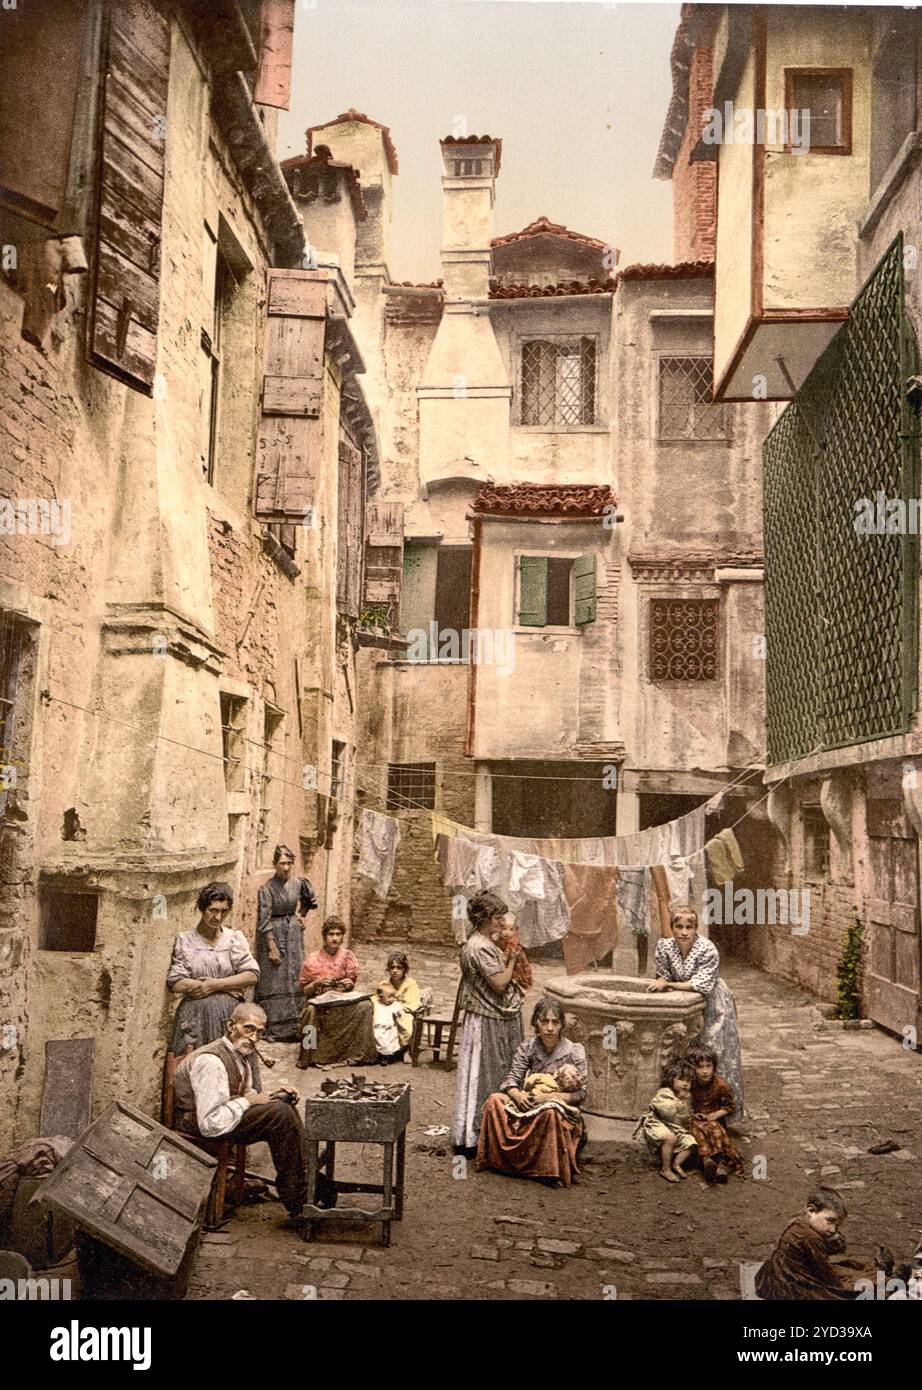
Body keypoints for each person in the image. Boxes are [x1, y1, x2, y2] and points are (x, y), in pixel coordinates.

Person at [171, 1003, 315, 1220]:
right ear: (231, 1025)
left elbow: (245, 1094)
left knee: (283, 1107)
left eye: (259, 1033)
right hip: (199, 1123)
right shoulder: (211, 1061)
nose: (254, 1038)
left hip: (222, 1116)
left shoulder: (239, 1055)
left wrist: (276, 1094)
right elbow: (209, 1123)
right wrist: (250, 1101)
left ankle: (305, 1186)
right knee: (280, 1115)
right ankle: (300, 1199)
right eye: (248, 1029)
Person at [477, 997, 587, 1188]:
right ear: (536, 1023)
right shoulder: (528, 1047)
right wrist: (517, 1095)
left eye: (555, 1022)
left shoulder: (574, 1051)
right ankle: (499, 1161)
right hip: (529, 1102)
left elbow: (581, 1093)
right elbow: (511, 1079)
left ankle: (546, 1170)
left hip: (558, 1109)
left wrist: (549, 1098)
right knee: (495, 1101)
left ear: (562, 1025)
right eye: (544, 1022)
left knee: (549, 1113)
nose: (550, 1028)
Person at [647, 904, 744, 1120]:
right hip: (683, 1003)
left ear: (695, 928)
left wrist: (669, 985)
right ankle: (690, 1111)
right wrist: (666, 983)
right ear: (672, 928)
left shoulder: (707, 949)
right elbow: (662, 977)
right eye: (678, 926)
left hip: (713, 1004)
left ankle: (720, 1115)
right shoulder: (664, 947)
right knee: (686, 1054)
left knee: (712, 1052)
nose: (683, 932)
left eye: (688, 927)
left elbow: (701, 985)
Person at [451, 891, 525, 1158]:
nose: (500, 922)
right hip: (488, 1019)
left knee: (481, 1074)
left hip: (485, 1016)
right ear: (483, 919)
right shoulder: (479, 947)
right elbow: (499, 984)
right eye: (496, 917)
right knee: (487, 1074)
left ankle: (478, 1133)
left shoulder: (479, 942)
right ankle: (483, 1134)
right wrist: (513, 960)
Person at [167, 883, 259, 1055]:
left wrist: (215, 984)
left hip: (229, 1015)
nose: (218, 917)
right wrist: (199, 986)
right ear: (202, 909)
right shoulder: (186, 940)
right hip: (196, 1016)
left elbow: (252, 975)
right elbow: (175, 982)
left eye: (224, 911)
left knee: (231, 1065)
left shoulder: (233, 939)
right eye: (213, 910)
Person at [756, 1188, 880, 1300]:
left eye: (836, 1225)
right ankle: (884, 1283)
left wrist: (834, 1239)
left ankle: (879, 1270)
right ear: (811, 1210)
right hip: (794, 1283)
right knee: (852, 1285)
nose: (832, 1229)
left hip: (786, 1272)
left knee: (853, 1266)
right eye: (830, 1221)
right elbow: (826, 1274)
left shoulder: (802, 1224)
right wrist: (846, 1287)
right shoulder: (809, 1237)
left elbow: (829, 1254)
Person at [254, 845, 318, 1042]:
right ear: (275, 865)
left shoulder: (298, 883)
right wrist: (272, 947)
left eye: (289, 863)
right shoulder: (266, 889)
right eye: (282, 863)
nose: (286, 867)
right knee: (275, 977)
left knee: (294, 974)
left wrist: (301, 915)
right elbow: (263, 921)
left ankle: (294, 1024)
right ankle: (274, 1028)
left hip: (293, 934)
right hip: (272, 934)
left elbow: (309, 900)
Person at [296, 917, 377, 1068]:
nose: (334, 938)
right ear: (324, 936)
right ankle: (308, 1054)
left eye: (338, 934)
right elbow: (305, 991)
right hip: (321, 1005)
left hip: (341, 1003)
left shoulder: (347, 956)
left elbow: (351, 984)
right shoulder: (313, 959)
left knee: (365, 1006)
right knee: (311, 1012)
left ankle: (357, 1052)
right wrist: (318, 982)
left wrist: (349, 983)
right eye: (331, 934)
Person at [687, 1042, 744, 1183]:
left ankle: (722, 1164)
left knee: (715, 1131)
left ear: (714, 1066)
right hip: (696, 1119)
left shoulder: (720, 1085)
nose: (705, 1071)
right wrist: (694, 1114)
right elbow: (684, 1104)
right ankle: (707, 1161)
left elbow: (730, 1106)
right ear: (692, 1069)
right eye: (700, 1067)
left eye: (708, 1066)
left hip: (715, 1119)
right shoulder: (690, 1084)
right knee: (696, 1129)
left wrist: (716, 1115)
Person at [635, 1057, 698, 1183]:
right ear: (671, 1080)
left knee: (691, 1143)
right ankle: (666, 1168)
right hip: (657, 1123)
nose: (685, 1084)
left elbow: (685, 1116)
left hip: (674, 1126)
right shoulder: (665, 1093)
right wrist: (679, 1101)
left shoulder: (687, 1097)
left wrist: (689, 1109)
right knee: (670, 1138)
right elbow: (666, 1112)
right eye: (681, 1079)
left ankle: (676, 1163)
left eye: (688, 1081)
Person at [377, 951, 422, 1051]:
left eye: (399, 968)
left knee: (406, 1024)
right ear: (388, 969)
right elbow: (378, 1001)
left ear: (404, 969)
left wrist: (400, 1008)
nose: (395, 971)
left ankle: (405, 1048)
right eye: (392, 967)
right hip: (387, 1012)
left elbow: (414, 1002)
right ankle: (384, 1050)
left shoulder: (410, 983)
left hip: (403, 1011)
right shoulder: (384, 984)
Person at [372, 983, 406, 1064]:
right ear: (380, 997)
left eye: (394, 996)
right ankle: (383, 1056)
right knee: (381, 1041)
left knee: (392, 1041)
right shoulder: (376, 1004)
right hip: (378, 1028)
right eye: (390, 996)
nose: (393, 999)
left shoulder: (394, 1004)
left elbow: (400, 1012)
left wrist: (399, 1013)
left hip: (391, 1027)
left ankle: (390, 1056)